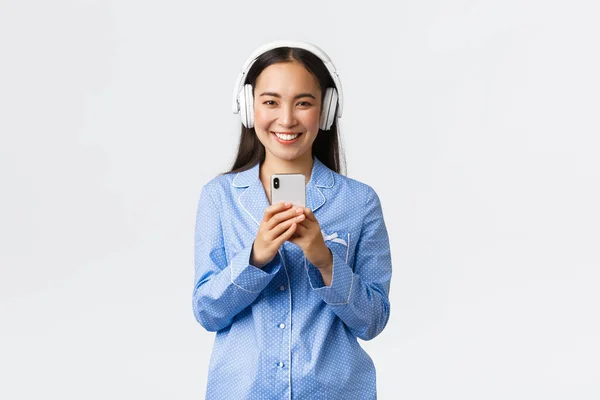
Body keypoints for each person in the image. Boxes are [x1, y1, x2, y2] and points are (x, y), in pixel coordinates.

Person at [192, 40, 392, 400]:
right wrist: (255, 258)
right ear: (249, 109)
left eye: (303, 102)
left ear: (327, 111)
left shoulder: (359, 202)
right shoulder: (219, 198)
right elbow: (208, 312)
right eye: (271, 102)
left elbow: (373, 320)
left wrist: (325, 260)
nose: (286, 119)